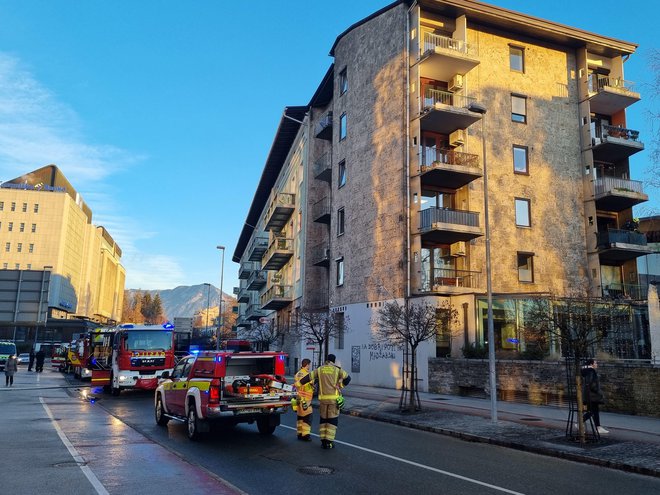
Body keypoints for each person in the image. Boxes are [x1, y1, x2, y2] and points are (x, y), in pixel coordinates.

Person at [299, 354, 351, 449]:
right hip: (333, 400)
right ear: (333, 361)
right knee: (332, 421)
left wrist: (298, 384)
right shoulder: (337, 370)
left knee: (323, 420)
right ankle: (329, 443)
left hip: (323, 400)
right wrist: (340, 386)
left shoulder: (320, 369)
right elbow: (348, 379)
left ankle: (323, 441)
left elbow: (308, 377)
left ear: (326, 360)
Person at [581, 358, 608, 434]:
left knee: (594, 411)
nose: (596, 364)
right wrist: (597, 391)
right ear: (591, 364)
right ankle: (580, 422)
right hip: (592, 395)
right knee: (592, 411)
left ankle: (598, 427)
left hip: (589, 395)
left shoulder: (586, 371)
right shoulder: (591, 371)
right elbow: (591, 383)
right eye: (595, 363)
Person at [293, 358, 314, 441]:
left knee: (300, 417)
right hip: (306, 400)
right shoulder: (307, 375)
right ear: (307, 365)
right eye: (310, 364)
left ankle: (299, 433)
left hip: (298, 399)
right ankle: (305, 435)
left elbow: (297, 386)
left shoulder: (297, 374)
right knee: (307, 418)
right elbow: (309, 386)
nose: (310, 366)